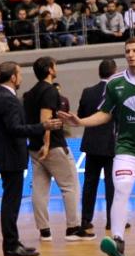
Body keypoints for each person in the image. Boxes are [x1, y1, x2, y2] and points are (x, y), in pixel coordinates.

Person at [60, 39, 135, 256]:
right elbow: (105, 113)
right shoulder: (115, 84)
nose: (131, 55)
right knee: (121, 188)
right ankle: (117, 242)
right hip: (126, 148)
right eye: (128, 51)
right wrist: (80, 122)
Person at [0, 62, 62, 256]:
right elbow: (15, 129)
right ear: (13, 77)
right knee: (11, 202)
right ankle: (11, 245)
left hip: (6, 155)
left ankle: (13, 242)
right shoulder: (7, 99)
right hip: (10, 156)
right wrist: (42, 126)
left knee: (11, 201)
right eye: (19, 73)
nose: (21, 77)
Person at [22, 57, 90, 242]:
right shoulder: (50, 90)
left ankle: (44, 231)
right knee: (70, 186)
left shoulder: (29, 94)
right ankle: (73, 228)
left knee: (40, 189)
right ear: (50, 70)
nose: (56, 68)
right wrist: (46, 145)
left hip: (34, 148)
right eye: (55, 65)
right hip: (51, 147)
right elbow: (46, 121)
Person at [77, 59, 117, 234]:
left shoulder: (88, 92)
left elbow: (81, 116)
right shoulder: (118, 91)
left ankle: (86, 220)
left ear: (99, 72)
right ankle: (111, 220)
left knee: (90, 183)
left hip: (91, 144)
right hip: (111, 144)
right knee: (111, 183)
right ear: (114, 72)